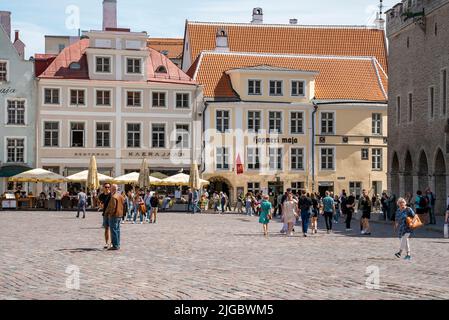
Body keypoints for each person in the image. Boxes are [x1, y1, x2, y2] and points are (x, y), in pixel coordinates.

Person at [105, 184, 125, 251]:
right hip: (119, 215)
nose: (109, 189)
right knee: (117, 230)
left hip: (114, 215)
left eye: (110, 188)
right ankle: (118, 244)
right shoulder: (120, 196)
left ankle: (115, 245)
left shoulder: (114, 197)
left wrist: (110, 214)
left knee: (113, 230)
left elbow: (113, 207)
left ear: (113, 189)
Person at [98, 183, 112, 249]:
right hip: (105, 214)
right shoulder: (101, 195)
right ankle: (106, 243)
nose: (107, 188)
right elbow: (99, 203)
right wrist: (100, 205)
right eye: (106, 187)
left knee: (112, 229)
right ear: (103, 187)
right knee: (106, 229)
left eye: (108, 187)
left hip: (111, 214)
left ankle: (112, 243)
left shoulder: (111, 195)